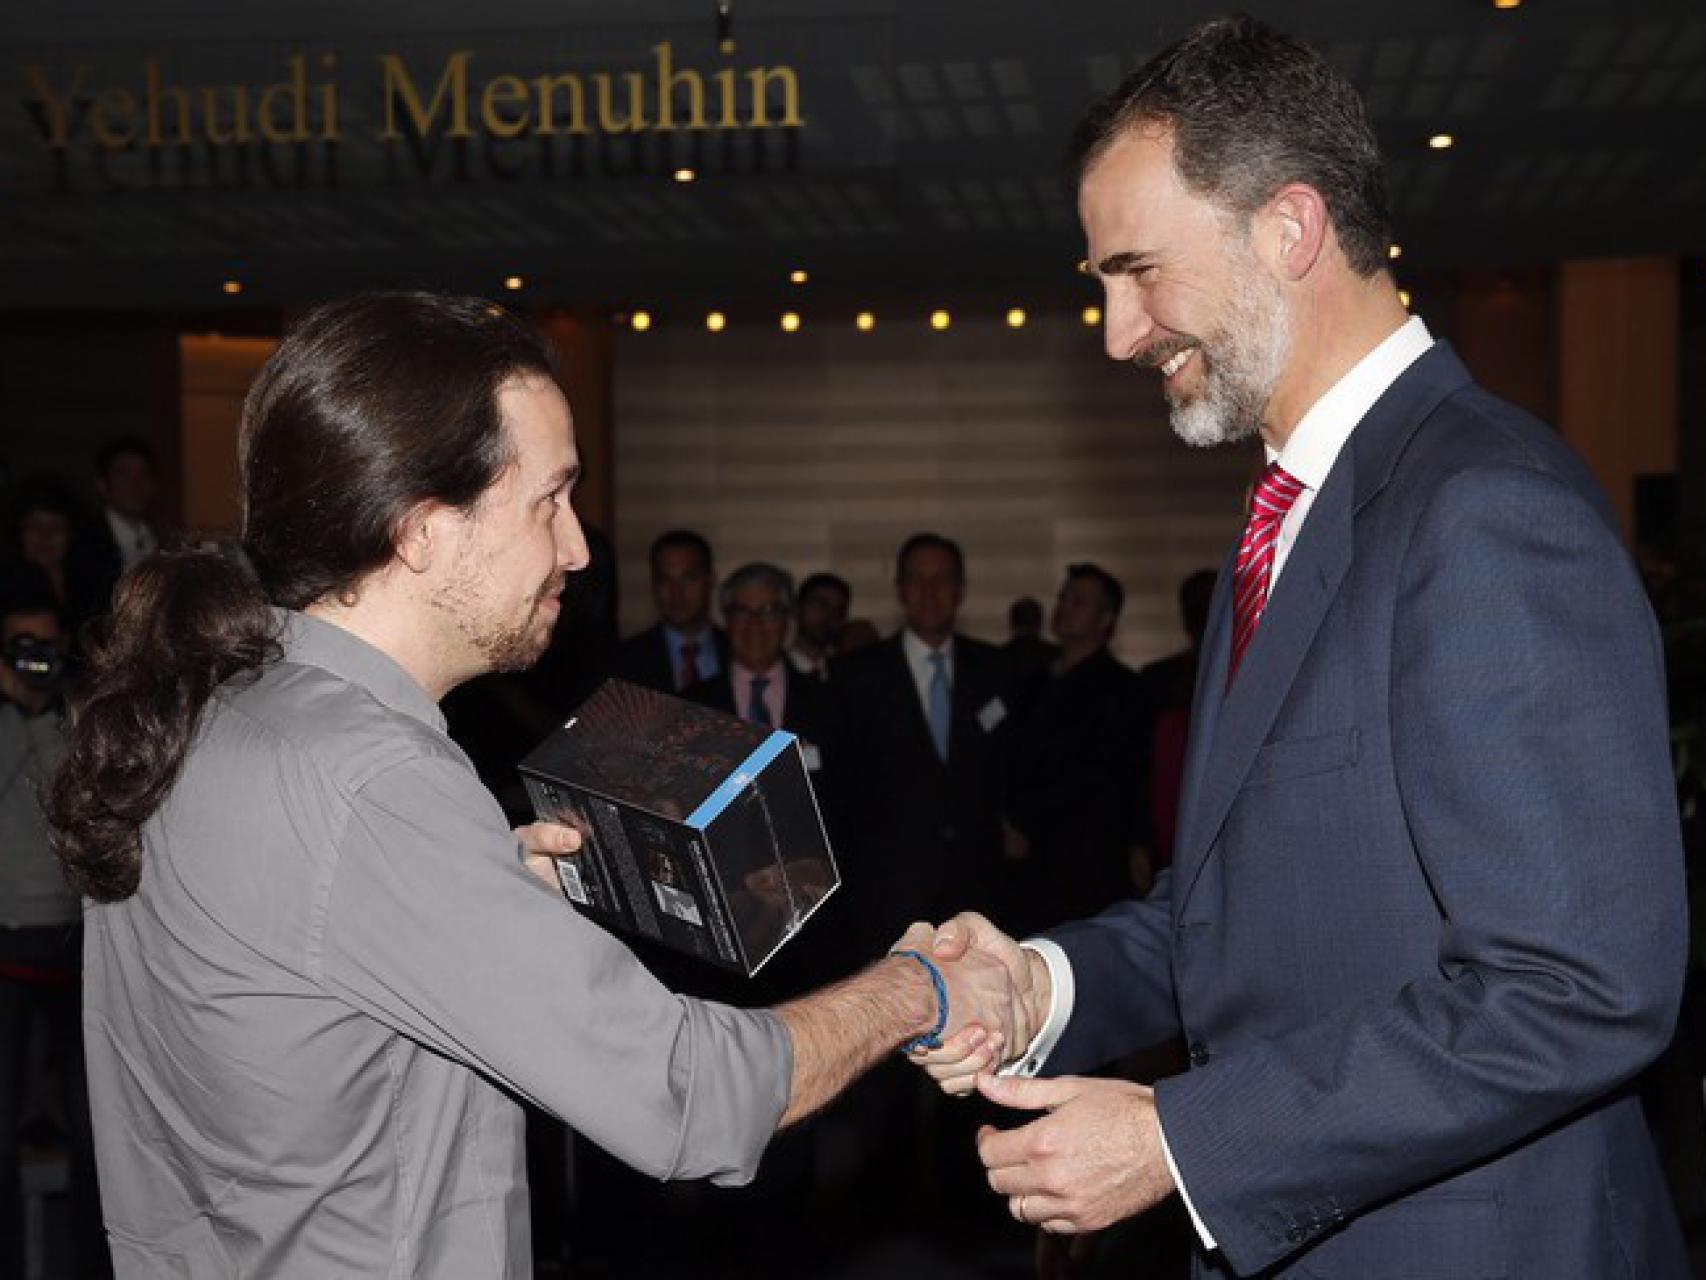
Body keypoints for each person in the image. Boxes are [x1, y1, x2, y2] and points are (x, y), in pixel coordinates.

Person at [915, 16, 1689, 1280]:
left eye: (1136, 270)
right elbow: (1236, 918)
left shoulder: (1483, 508)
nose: (1115, 332)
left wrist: (1182, 1139)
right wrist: (1036, 982)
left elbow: (1576, 984)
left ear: (1286, 230)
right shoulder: (1286, 516)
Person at [42, 293, 1019, 1278]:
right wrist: (920, 988)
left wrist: (476, 889)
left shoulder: (221, 710)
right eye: (548, 499)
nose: (577, 547)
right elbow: (687, 1096)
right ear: (423, 528)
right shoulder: (378, 784)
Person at [0, 586, 105, 1279]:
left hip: (76, 948)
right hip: (7, 944)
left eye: (44, 645)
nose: (34, 660)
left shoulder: (85, 715)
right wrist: (17, 708)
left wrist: (46, 711)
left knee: (96, 1134)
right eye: (20, 647)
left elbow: (78, 795)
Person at [1003, 564, 1147, 934]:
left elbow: (1109, 780)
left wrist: (1027, 823)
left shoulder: (1124, 691)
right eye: (1064, 597)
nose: (1065, 607)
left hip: (1087, 865)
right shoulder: (1031, 683)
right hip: (1027, 871)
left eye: (1079, 601)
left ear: (1105, 620)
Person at [608, 528, 729, 693]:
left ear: (710, 580)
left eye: (689, 578)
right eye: (665, 580)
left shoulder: (739, 653)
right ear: (653, 585)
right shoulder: (622, 662)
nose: (676, 593)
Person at [787, 570, 851, 682]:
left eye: (839, 611)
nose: (829, 615)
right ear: (797, 608)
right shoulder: (774, 671)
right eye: (821, 605)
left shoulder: (846, 675)